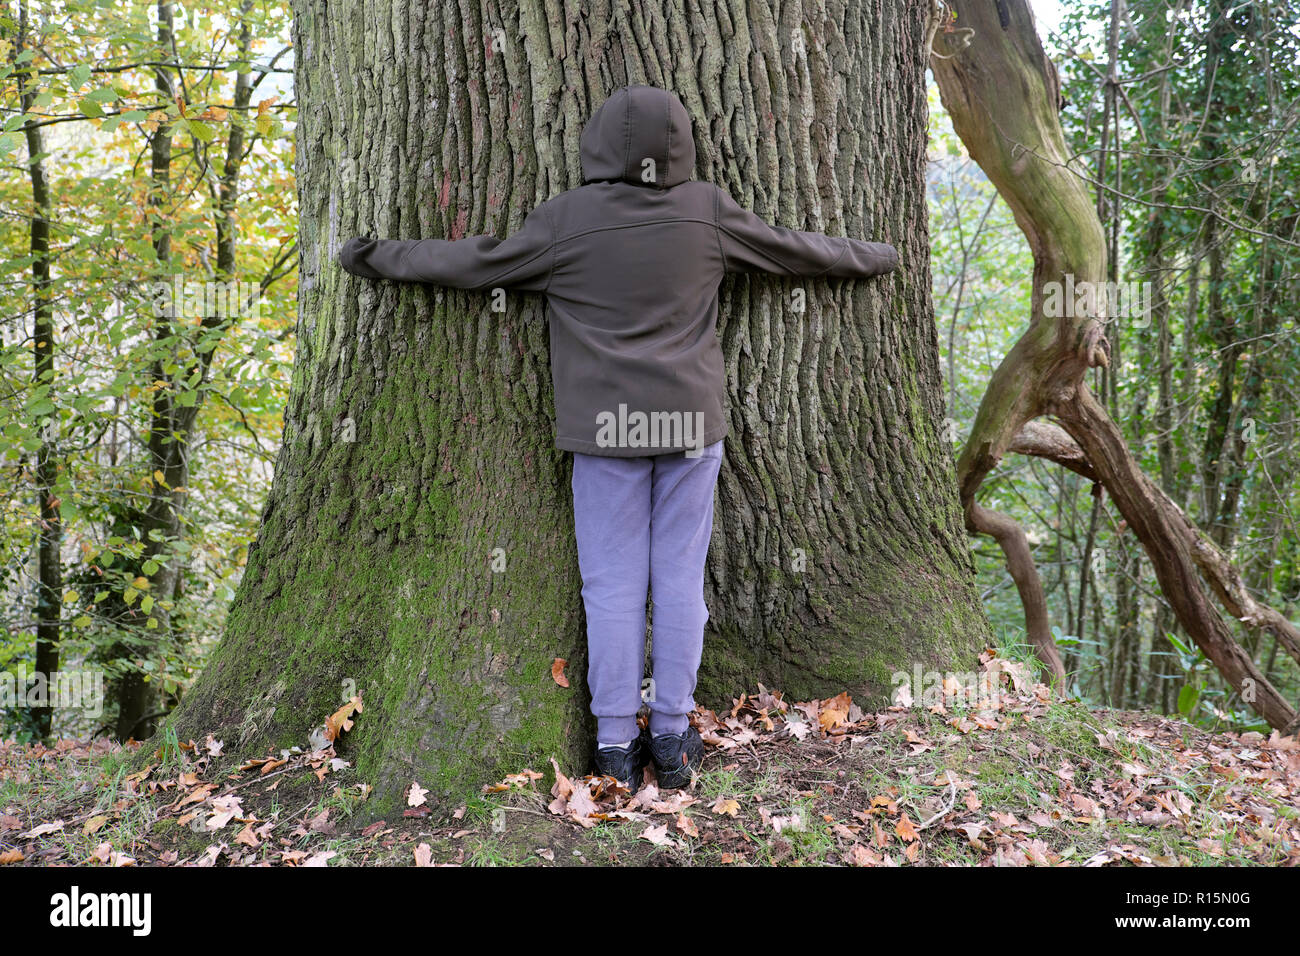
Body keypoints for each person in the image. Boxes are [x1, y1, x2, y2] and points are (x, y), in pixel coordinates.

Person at [339, 84, 899, 790]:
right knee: (678, 582)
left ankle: (612, 747)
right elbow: (797, 252)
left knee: (611, 589)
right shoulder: (707, 212)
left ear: (596, 145)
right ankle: (669, 736)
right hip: (689, 427)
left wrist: (373, 256)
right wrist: (878, 255)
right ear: (682, 145)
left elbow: (470, 264)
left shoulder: (565, 221)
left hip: (606, 431)